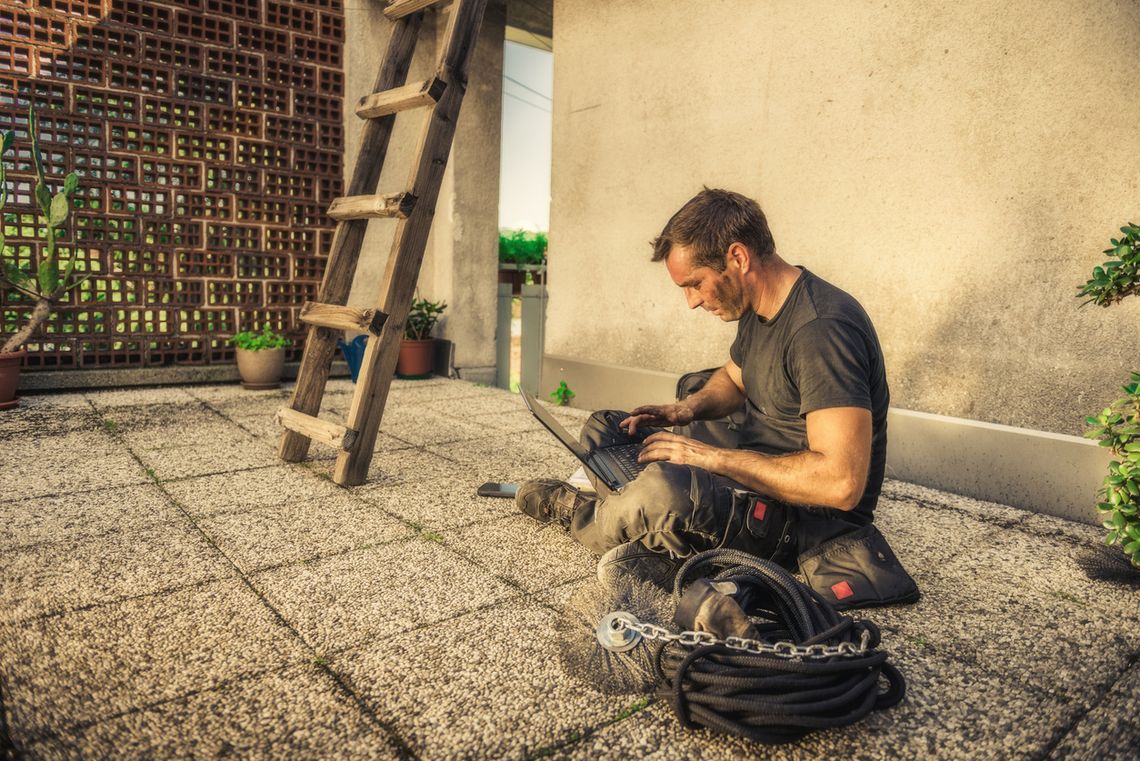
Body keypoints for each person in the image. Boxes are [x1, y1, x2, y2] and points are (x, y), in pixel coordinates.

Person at [517, 188, 890, 589]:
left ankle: (588, 514)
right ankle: (643, 518)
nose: (691, 302)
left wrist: (713, 458)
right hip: (748, 476)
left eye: (695, 284)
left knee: (663, 491)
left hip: (797, 520)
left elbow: (841, 484)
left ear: (738, 258)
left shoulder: (821, 330)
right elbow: (734, 378)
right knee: (607, 427)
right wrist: (684, 411)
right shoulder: (760, 306)